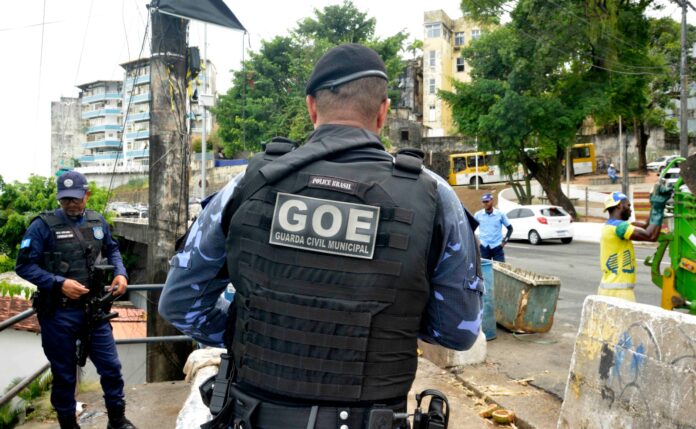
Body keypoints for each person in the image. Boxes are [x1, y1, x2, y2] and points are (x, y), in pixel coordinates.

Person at [159, 43, 482, 429]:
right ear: (383, 111)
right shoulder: (434, 197)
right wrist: (385, 325)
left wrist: (251, 327)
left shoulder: (248, 184)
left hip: (254, 417)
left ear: (311, 107)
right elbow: (458, 331)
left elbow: (180, 303)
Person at [15, 171, 136, 429]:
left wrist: (121, 273)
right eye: (65, 199)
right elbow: (24, 266)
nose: (71, 203)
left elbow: (113, 249)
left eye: (76, 198)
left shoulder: (97, 221)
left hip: (95, 310)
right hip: (59, 314)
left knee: (111, 367)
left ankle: (117, 420)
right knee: (64, 374)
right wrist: (59, 283)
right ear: (59, 199)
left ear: (87, 195)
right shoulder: (42, 226)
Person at [599, 187, 671, 301]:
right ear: (619, 205)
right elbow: (650, 236)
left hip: (610, 289)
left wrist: (654, 205)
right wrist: (658, 207)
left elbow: (647, 227)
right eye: (628, 206)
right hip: (618, 293)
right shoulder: (619, 228)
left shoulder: (612, 226)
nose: (630, 210)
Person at [474, 193, 513, 262]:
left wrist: (504, 242)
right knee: (485, 268)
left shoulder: (500, 214)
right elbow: (471, 228)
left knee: (500, 267)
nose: (485, 204)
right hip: (484, 247)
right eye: (483, 202)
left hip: (497, 246)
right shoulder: (478, 215)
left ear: (492, 201)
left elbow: (510, 228)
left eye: (487, 201)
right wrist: (477, 242)